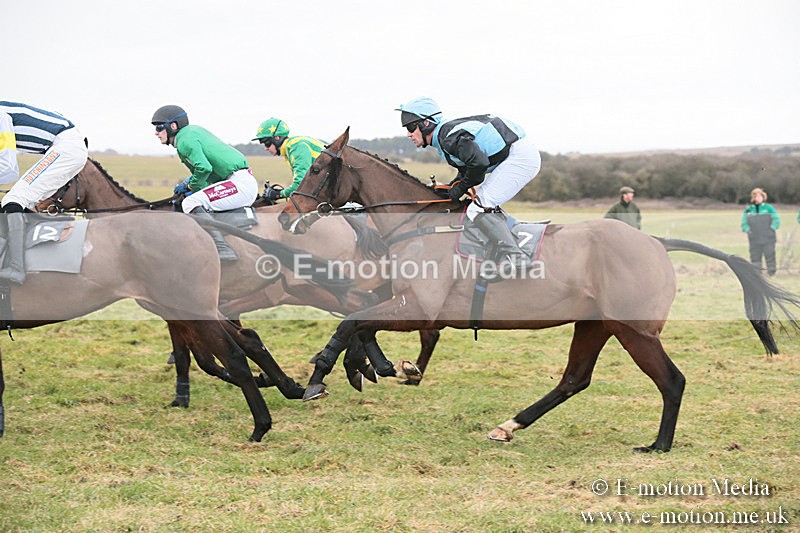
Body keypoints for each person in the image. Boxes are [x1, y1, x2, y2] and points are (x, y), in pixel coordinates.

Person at [396, 97, 541, 267]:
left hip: (520, 157)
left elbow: (479, 165)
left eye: (411, 128)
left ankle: (517, 257)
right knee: (482, 204)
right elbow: (468, 169)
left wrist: (460, 188)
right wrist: (452, 187)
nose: (408, 134)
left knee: (478, 208)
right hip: (516, 153)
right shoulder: (445, 135)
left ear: (426, 124)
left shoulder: (448, 138)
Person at [152, 105, 258, 261]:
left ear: (173, 126)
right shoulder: (189, 134)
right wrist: (192, 184)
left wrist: (189, 185)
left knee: (190, 203)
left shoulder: (184, 140)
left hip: (239, 184)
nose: (156, 133)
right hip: (237, 181)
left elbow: (204, 168)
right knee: (194, 199)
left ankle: (222, 247)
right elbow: (207, 175)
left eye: (159, 127)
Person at [0, 101, 89, 283]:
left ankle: (16, 268)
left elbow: (8, 168)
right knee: (21, 201)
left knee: (14, 200)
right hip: (67, 148)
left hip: (65, 147)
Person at [252, 117, 326, 201]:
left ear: (277, 138)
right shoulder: (290, 147)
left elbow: (301, 184)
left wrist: (279, 194)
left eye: (267, 143)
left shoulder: (296, 147)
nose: (266, 148)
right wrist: (279, 192)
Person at [741, 187, 780, 276]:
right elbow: (743, 223)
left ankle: (771, 272)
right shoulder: (748, 210)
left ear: (763, 197)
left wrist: (772, 228)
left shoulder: (769, 208)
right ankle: (757, 274)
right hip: (754, 237)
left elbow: (776, 219)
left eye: (760, 196)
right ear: (753, 198)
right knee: (755, 256)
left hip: (768, 237)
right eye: (756, 196)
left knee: (769, 254)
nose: (758, 198)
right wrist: (748, 231)